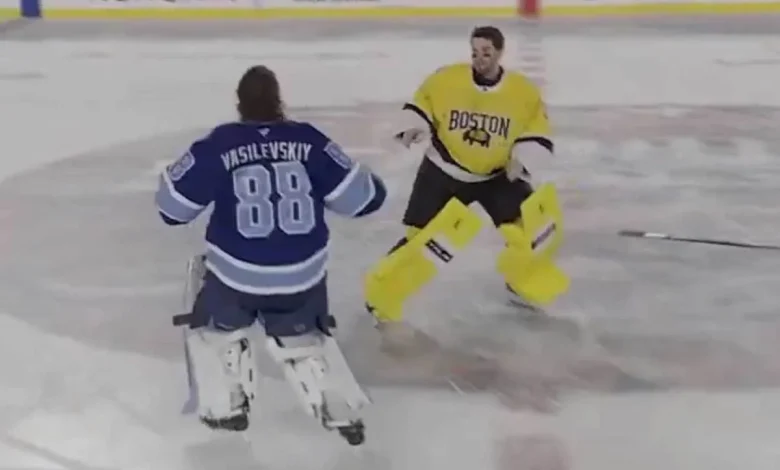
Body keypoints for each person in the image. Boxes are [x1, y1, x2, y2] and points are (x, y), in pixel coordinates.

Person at [155, 65, 386, 446]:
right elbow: (365, 200)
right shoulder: (310, 142)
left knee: (211, 313)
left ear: (239, 103)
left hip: (236, 277)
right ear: (280, 100)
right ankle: (330, 392)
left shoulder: (219, 144)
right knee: (301, 335)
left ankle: (228, 403)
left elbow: (171, 210)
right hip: (302, 277)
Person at [365, 25, 566, 324]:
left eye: (486, 53)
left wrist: (523, 159)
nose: (479, 59)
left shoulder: (523, 92)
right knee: (420, 238)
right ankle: (383, 291)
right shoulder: (447, 79)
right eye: (475, 52)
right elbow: (424, 103)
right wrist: (414, 126)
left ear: (500, 52)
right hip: (442, 171)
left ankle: (520, 283)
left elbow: (536, 127)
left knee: (529, 228)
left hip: (496, 177)